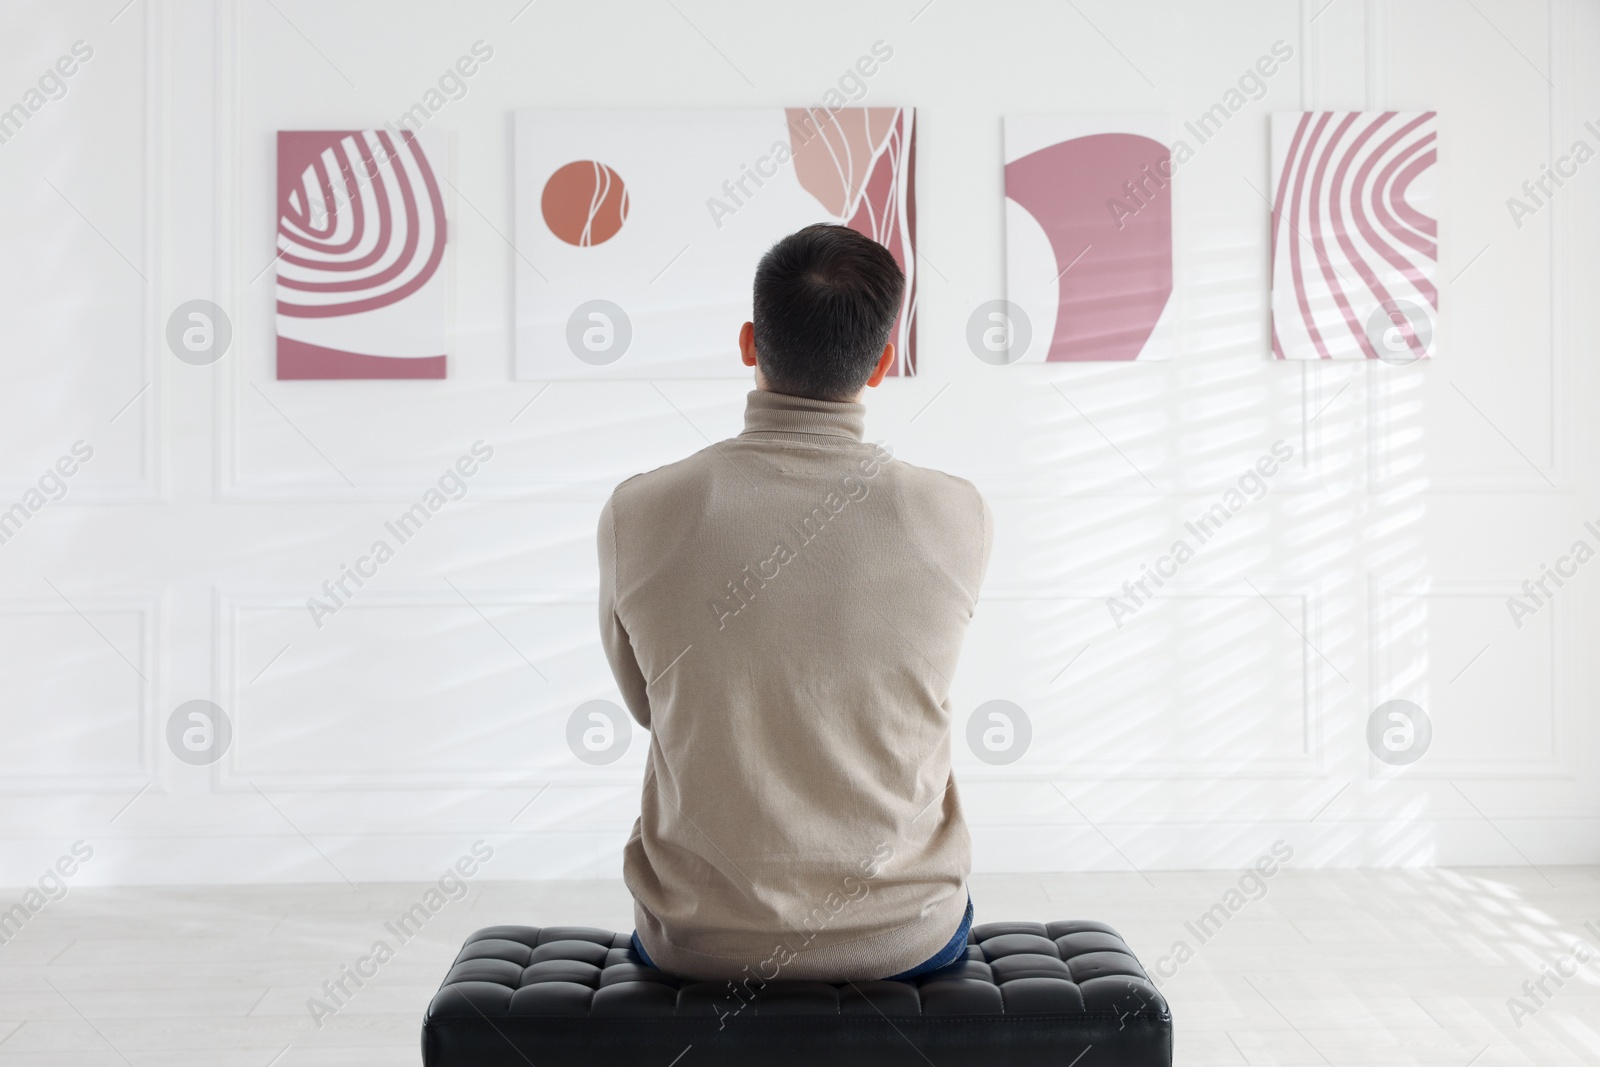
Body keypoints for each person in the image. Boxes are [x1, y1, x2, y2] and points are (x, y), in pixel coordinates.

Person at [597, 223, 993, 983]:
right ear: (881, 363)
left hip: (698, 937)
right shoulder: (957, 512)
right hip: (904, 933)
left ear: (749, 343)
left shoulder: (639, 511)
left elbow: (651, 706)